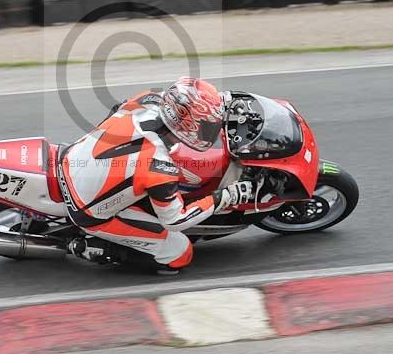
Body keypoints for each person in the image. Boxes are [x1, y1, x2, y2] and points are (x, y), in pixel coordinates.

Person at [59, 77, 255, 274]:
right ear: (188, 127)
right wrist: (226, 196)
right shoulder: (159, 166)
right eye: (207, 126)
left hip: (72, 157)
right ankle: (90, 248)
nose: (211, 129)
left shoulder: (149, 98)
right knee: (179, 253)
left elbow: (119, 109)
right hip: (88, 210)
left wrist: (219, 103)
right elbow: (176, 220)